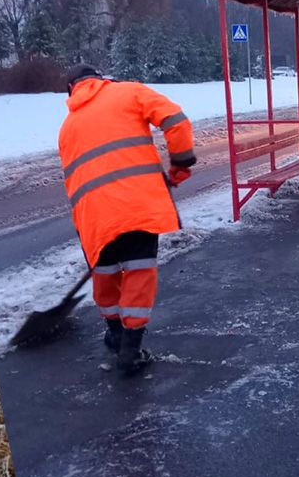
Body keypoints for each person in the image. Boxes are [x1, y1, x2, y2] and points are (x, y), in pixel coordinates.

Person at [57, 64, 196, 376]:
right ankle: (131, 349)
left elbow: (73, 183)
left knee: (105, 273)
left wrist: (86, 226)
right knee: (138, 271)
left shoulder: (67, 127)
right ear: (102, 79)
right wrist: (181, 164)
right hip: (137, 205)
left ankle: (115, 334)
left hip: (92, 217)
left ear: (71, 89)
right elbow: (176, 121)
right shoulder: (129, 92)